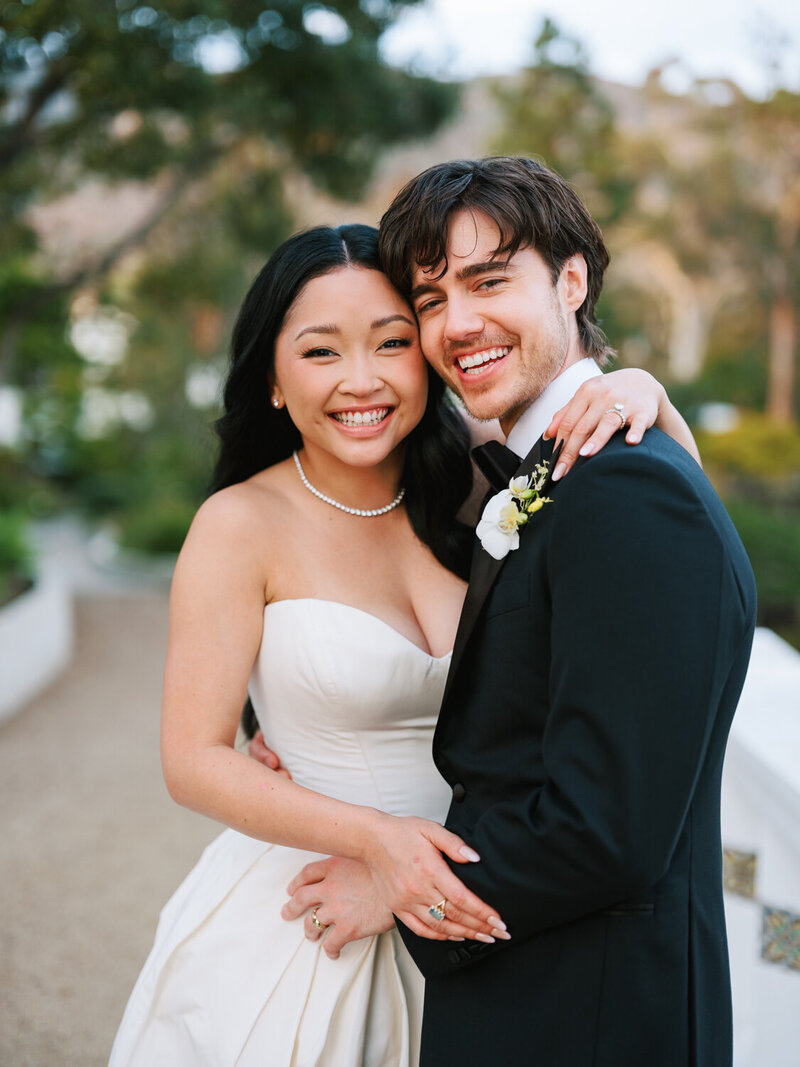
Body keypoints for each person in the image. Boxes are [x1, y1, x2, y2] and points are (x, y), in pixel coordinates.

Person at [109, 220, 702, 1067]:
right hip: (315, 911)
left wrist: (647, 392)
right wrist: (380, 843)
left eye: (392, 342)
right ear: (271, 378)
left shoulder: (484, 480)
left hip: (484, 914)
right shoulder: (239, 524)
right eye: (321, 351)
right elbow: (193, 758)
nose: (362, 380)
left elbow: (662, 555)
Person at [280, 159, 758, 1067]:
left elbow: (606, 829)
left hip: (594, 1017)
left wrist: (402, 891)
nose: (457, 324)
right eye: (430, 300)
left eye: (489, 282)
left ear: (572, 281)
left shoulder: (627, 493)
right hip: (538, 998)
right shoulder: (551, 476)